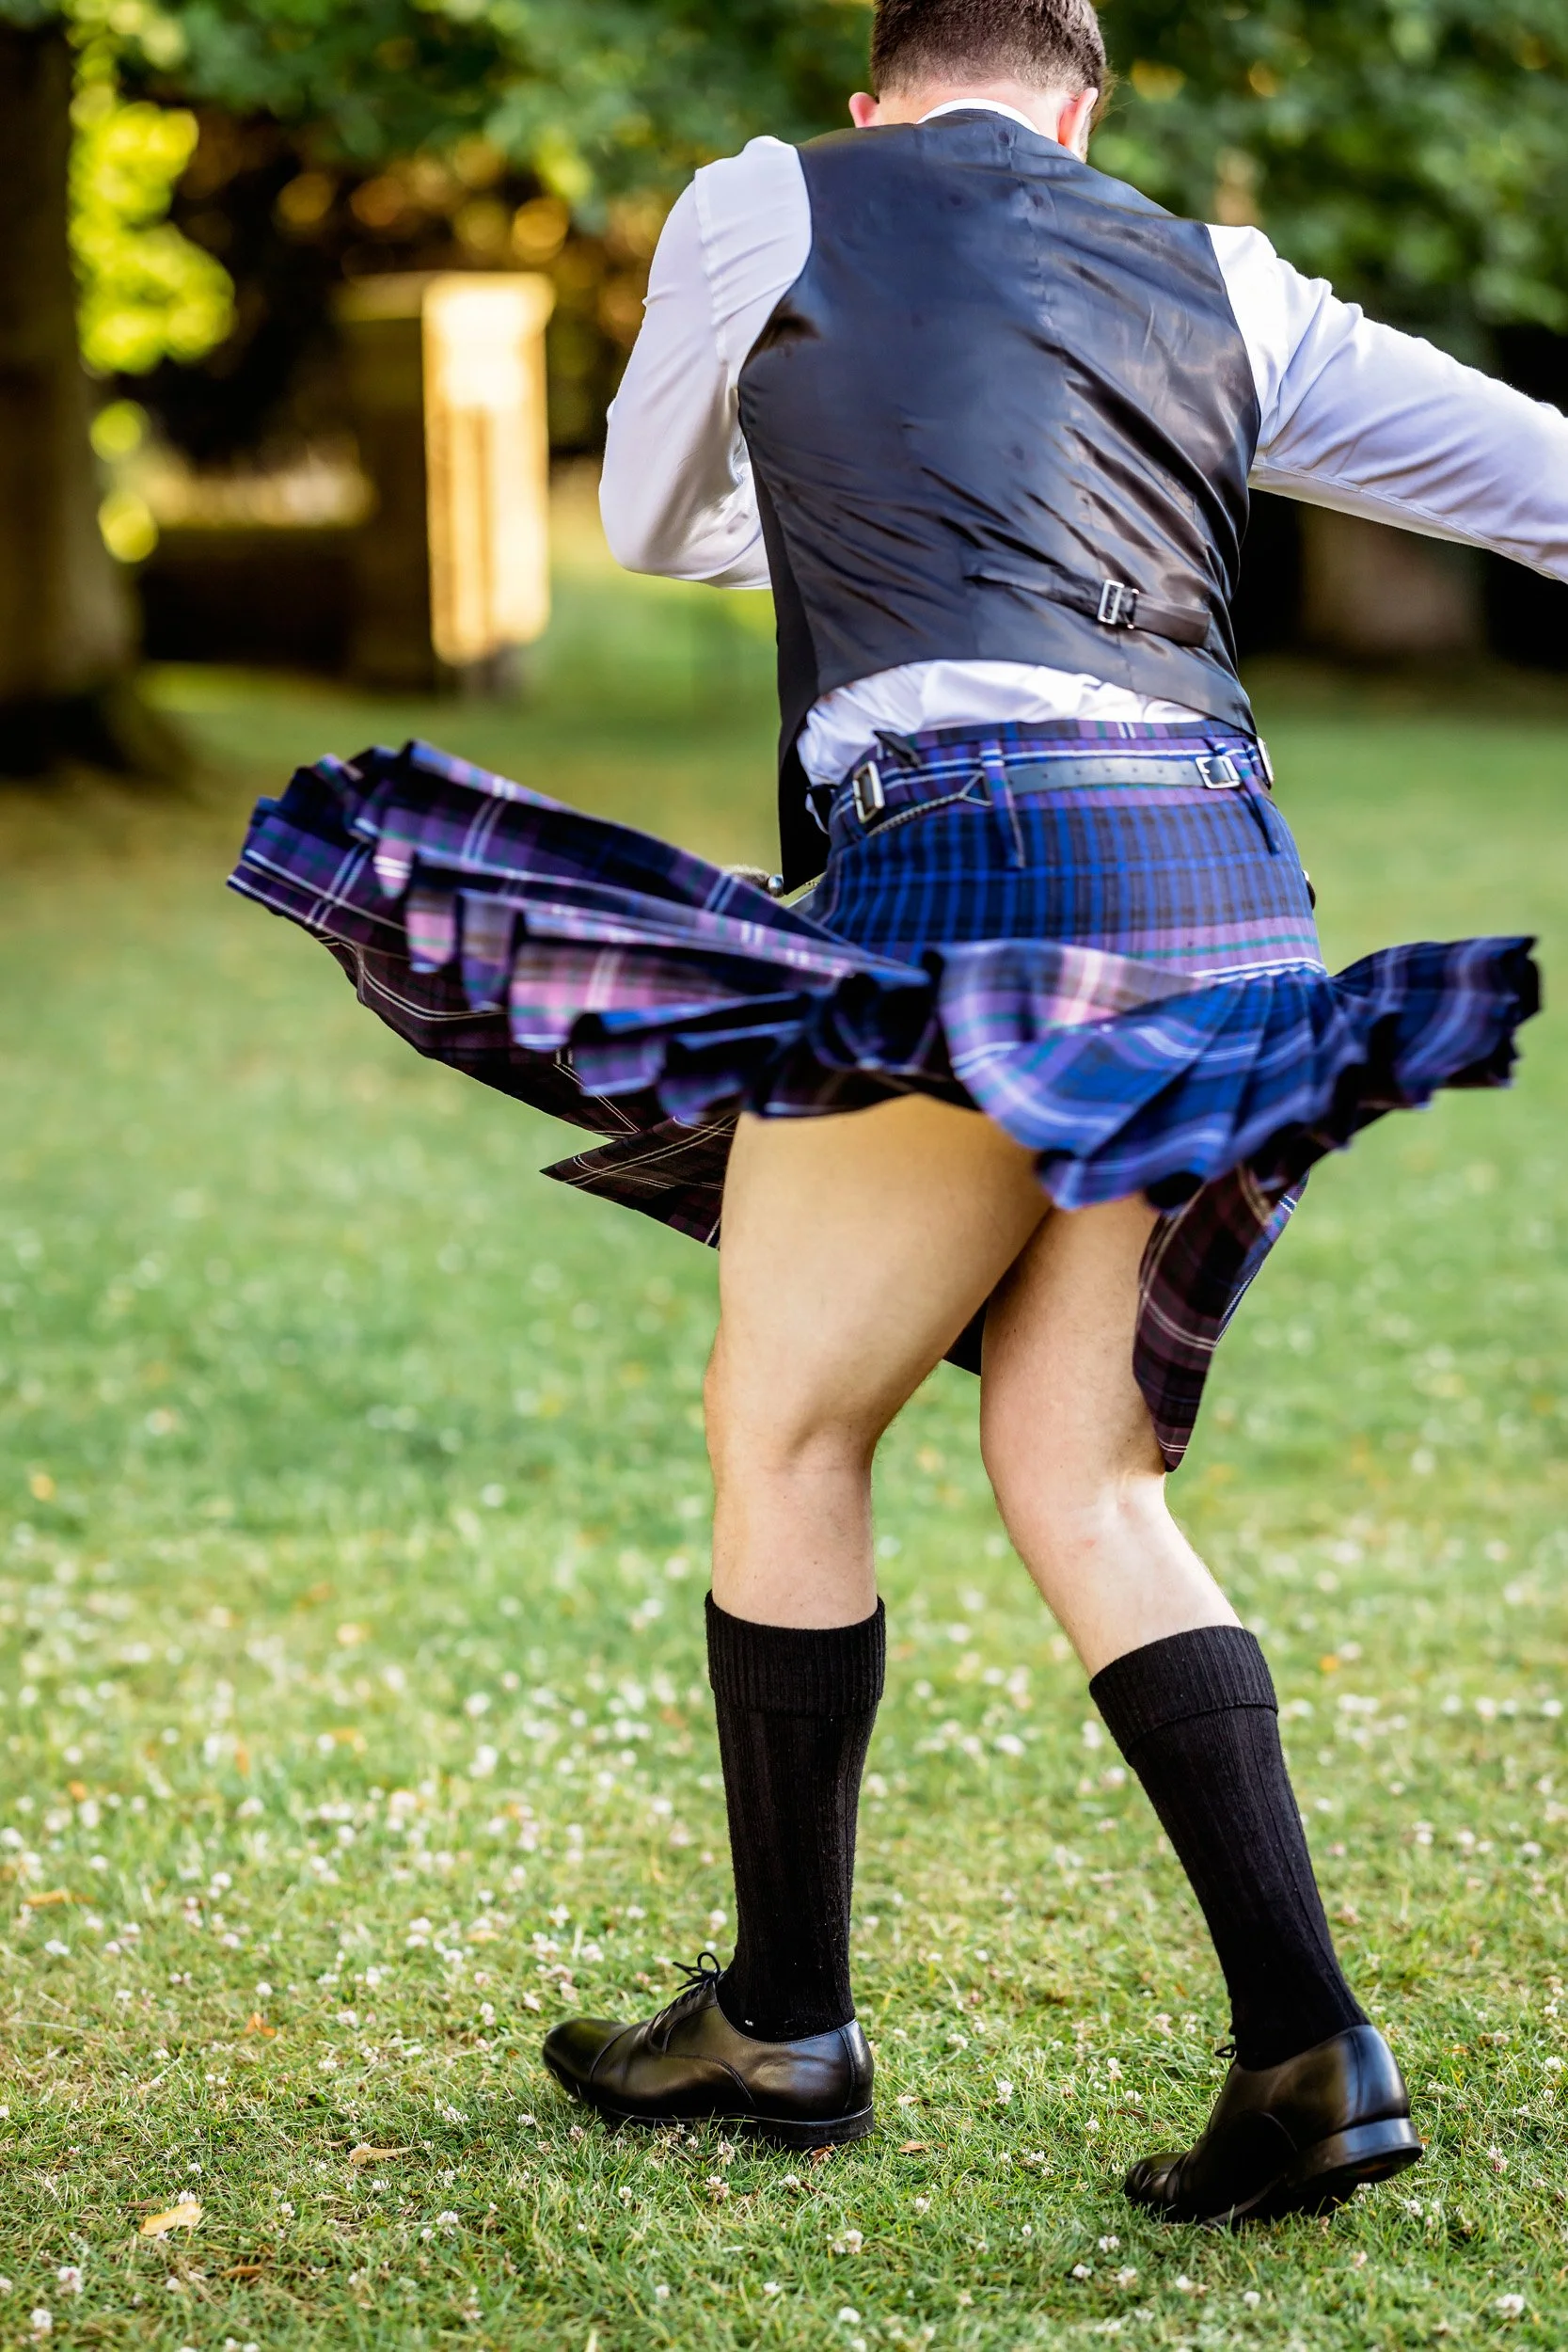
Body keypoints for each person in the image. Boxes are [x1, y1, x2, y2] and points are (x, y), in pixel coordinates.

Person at [230, 0, 1563, 2224]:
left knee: (785, 1426)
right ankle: (1308, 2052)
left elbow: (659, 515)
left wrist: (864, 499)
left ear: (875, 97)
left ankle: (781, 2015)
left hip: (966, 865)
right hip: (1222, 889)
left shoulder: (773, 197)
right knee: (1077, 1462)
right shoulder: (1217, 278)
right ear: (1081, 109)